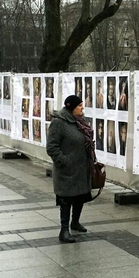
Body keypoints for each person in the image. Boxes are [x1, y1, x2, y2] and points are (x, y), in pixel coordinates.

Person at [46, 95, 94, 243]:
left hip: (81, 167)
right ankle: (64, 230)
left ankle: (75, 222)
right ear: (71, 107)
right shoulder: (59, 123)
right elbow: (51, 147)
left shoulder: (81, 122)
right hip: (67, 170)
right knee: (66, 199)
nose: (82, 108)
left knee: (80, 196)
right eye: (79, 105)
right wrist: (64, 161)